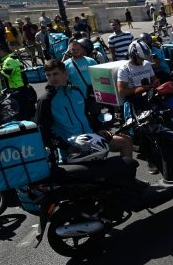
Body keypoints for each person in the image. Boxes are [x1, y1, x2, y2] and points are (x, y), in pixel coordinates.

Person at [36, 59, 132, 161]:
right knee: (101, 173)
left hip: (91, 138)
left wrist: (98, 128)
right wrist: (68, 147)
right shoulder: (45, 100)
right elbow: (44, 132)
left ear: (65, 73)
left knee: (126, 141)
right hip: (72, 148)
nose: (52, 78)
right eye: (48, 75)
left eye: (55, 74)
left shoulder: (76, 90)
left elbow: (87, 114)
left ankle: (127, 177)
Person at [116, 41, 159, 173]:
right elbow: (121, 91)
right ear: (133, 55)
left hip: (149, 96)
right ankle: (151, 159)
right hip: (134, 101)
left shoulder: (146, 64)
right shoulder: (125, 69)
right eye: (140, 58)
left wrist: (156, 83)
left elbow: (154, 79)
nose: (143, 61)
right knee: (144, 129)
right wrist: (139, 89)